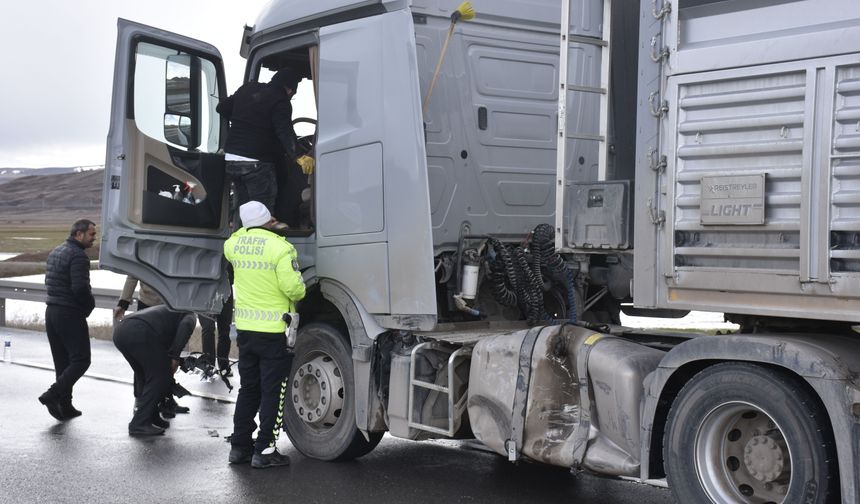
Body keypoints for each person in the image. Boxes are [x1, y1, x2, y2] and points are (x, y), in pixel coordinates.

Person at [224, 200, 306, 468]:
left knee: (249, 389)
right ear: (269, 220)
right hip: (273, 332)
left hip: (245, 331)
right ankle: (266, 451)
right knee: (274, 391)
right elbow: (295, 290)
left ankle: (240, 448)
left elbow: (238, 236)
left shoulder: (232, 245)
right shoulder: (281, 248)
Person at [216, 68, 314, 230]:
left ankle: (240, 244)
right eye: (292, 94)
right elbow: (285, 132)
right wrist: (300, 156)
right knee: (262, 213)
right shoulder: (280, 101)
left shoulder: (247, 88)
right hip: (256, 164)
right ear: (289, 89)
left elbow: (222, 108)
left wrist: (245, 118)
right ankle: (262, 250)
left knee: (244, 209)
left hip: (232, 160)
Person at [39, 219, 97, 420]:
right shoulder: (78, 256)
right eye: (91, 234)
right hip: (69, 312)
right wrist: (89, 306)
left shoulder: (56, 250)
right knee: (81, 359)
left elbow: (49, 281)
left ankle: (65, 404)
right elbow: (80, 288)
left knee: (62, 362)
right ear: (78, 234)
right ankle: (52, 395)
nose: (94, 238)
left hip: (52, 310)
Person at [112, 305, 196, 436]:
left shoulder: (172, 307)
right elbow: (185, 326)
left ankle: (151, 415)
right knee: (160, 377)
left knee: (144, 375)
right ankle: (139, 423)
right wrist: (175, 357)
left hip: (121, 331)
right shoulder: (190, 314)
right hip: (139, 332)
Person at [113, 276, 190, 417]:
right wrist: (123, 303)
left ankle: (166, 400)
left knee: (167, 356)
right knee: (145, 359)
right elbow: (133, 274)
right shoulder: (145, 252)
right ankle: (140, 401)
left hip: (172, 302)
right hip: (148, 304)